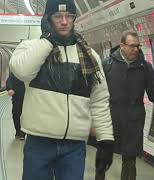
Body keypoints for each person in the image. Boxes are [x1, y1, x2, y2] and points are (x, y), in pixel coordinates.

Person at [9, 0, 114, 179]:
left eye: (69, 16)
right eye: (58, 16)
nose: (64, 21)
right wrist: (49, 40)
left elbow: (99, 101)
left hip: (74, 147)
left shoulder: (90, 57)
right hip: (39, 142)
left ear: (74, 18)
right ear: (48, 19)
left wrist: (105, 139)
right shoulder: (30, 47)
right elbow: (23, 72)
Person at [95, 30, 154, 180]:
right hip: (111, 118)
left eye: (137, 46)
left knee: (130, 159)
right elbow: (97, 93)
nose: (135, 50)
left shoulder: (145, 67)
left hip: (134, 120)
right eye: (132, 46)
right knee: (103, 157)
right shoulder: (107, 65)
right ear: (122, 46)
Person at [6, 72, 26, 140]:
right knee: (15, 114)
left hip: (27, 98)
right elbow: (9, 80)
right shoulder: (16, 71)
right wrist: (10, 88)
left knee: (25, 116)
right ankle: (18, 131)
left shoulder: (31, 70)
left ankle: (23, 133)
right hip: (16, 97)